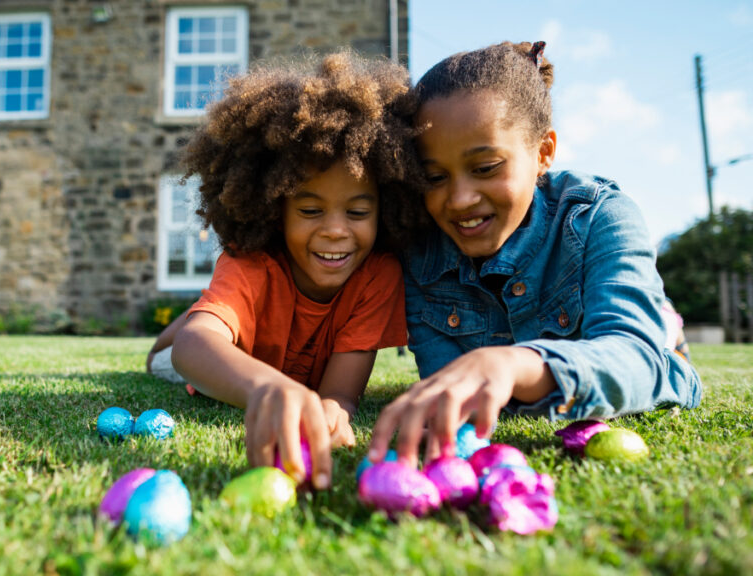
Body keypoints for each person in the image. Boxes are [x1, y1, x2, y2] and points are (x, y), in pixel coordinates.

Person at [367, 41, 703, 468]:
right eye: (434, 177)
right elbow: (450, 390)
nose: (460, 199)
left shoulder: (602, 217)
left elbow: (644, 365)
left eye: (486, 168)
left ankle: (661, 318)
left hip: (627, 342)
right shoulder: (420, 253)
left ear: (543, 153)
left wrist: (519, 364)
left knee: (648, 335)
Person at [147, 51, 427, 490]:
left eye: (357, 211)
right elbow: (191, 350)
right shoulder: (252, 261)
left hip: (266, 347)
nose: (336, 231)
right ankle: (207, 313)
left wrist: (334, 410)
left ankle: (216, 311)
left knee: (214, 318)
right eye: (311, 209)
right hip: (218, 361)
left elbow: (340, 393)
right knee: (167, 353)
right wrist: (263, 387)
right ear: (274, 209)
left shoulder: (378, 275)